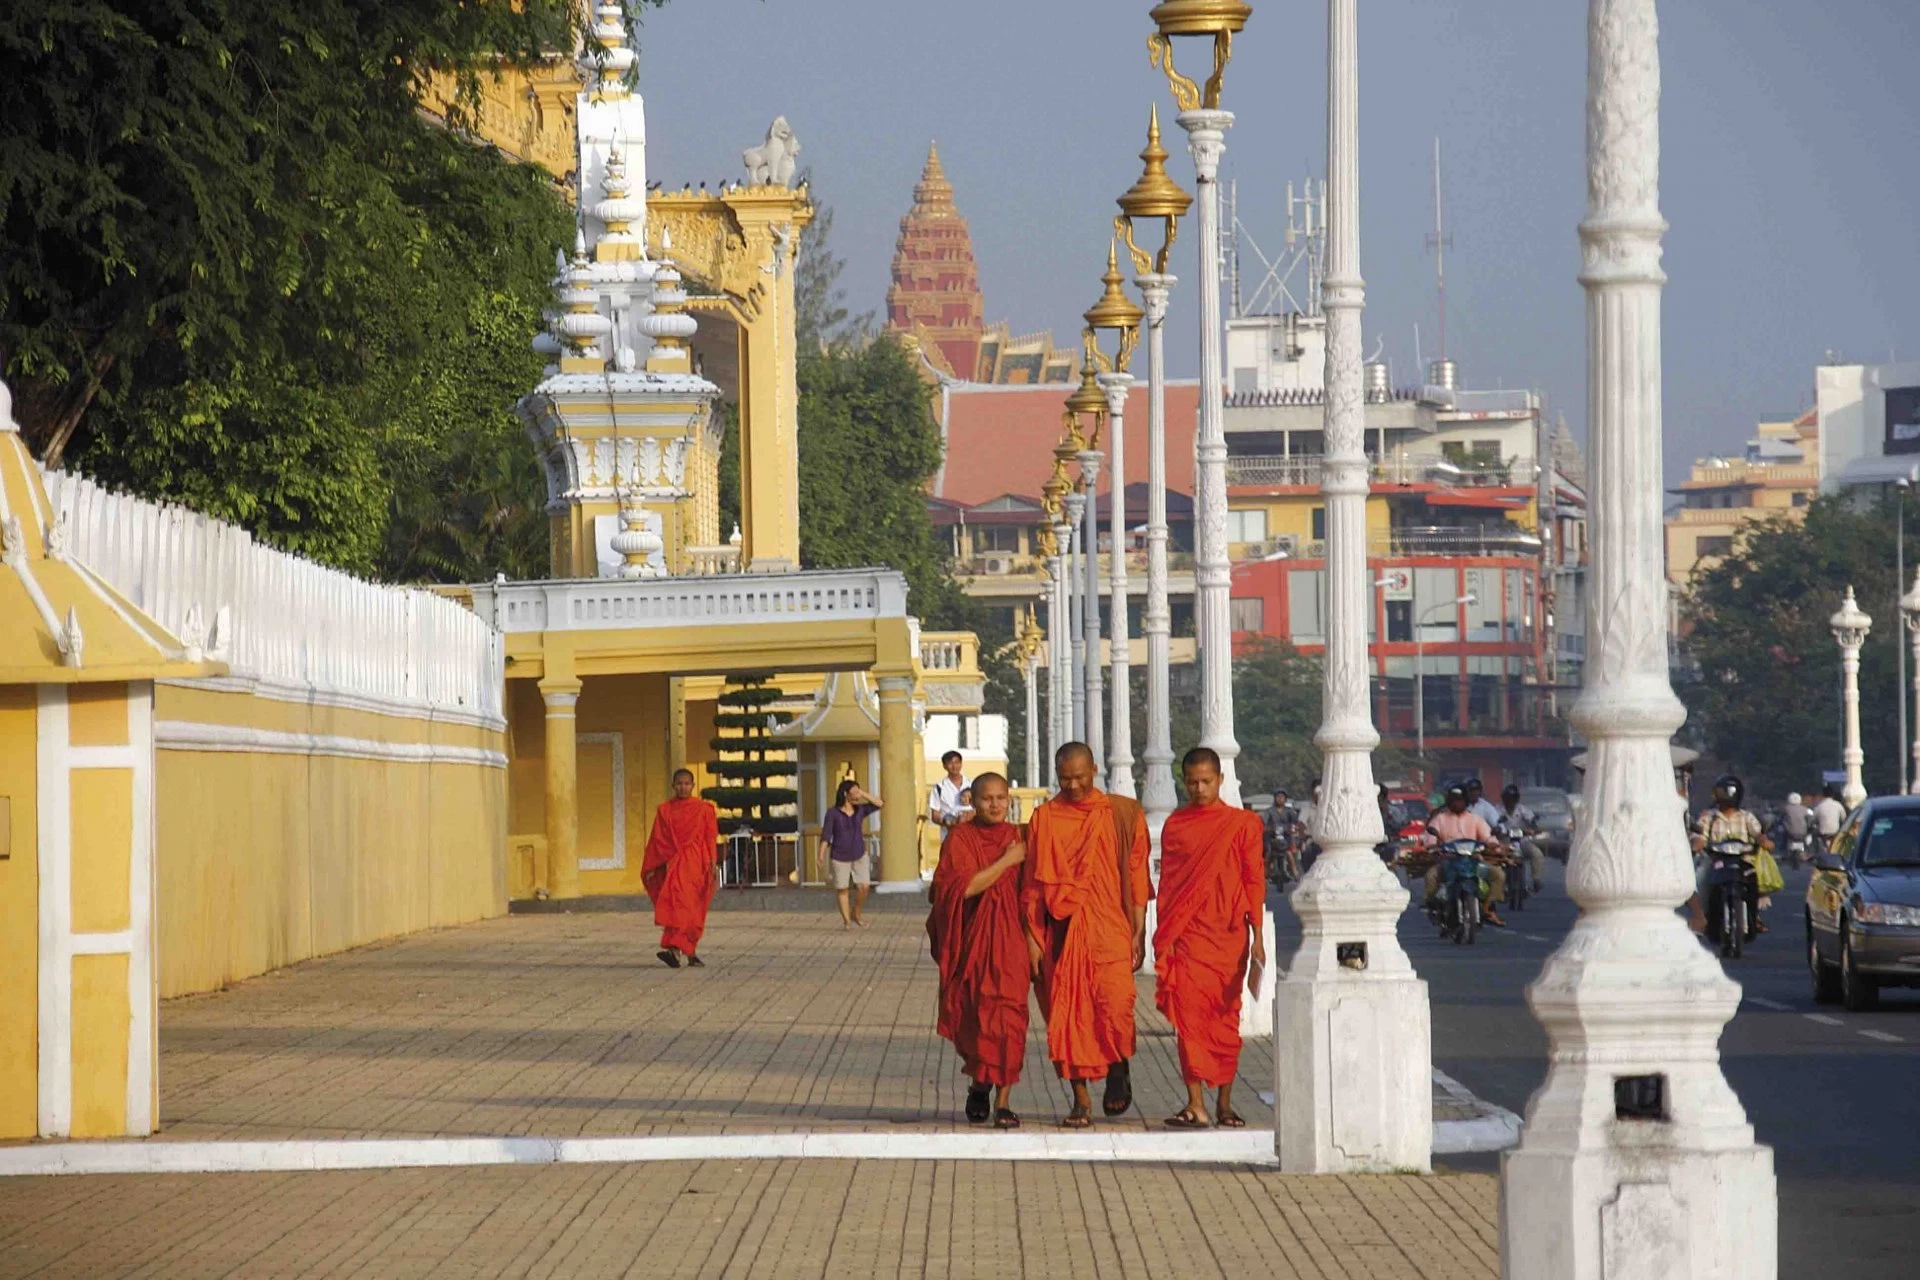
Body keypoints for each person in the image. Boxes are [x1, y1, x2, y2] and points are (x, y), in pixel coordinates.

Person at [1023, 741, 1151, 1128]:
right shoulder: (1045, 818)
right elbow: (1032, 885)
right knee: (1067, 1015)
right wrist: (1032, 938)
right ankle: (1080, 1099)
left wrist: (1138, 927)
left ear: (1095, 770)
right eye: (1065, 779)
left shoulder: (1120, 813)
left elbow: (1137, 873)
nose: (1074, 785)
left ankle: (1117, 1064)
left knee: (1115, 1005)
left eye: (1080, 777)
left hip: (1110, 927)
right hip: (1063, 932)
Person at [1154, 748, 1265, 1130]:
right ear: (1184, 781)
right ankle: (1195, 1103)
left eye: (1207, 781)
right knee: (1189, 1022)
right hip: (1188, 937)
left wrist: (1258, 938)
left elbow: (1253, 880)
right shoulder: (1176, 825)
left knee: (1224, 1020)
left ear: (1220, 780)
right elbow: (1168, 884)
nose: (1200, 788)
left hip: (1229, 936)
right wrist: (1164, 935)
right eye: (1192, 782)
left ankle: (1225, 1104)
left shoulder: (1242, 825)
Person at [926, 773, 1031, 1129]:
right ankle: (979, 1084)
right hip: (975, 944)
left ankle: (1003, 1101)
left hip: (1012, 944)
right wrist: (1006, 862)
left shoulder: (1020, 837)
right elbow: (962, 888)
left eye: (1002, 797)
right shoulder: (961, 839)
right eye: (987, 798)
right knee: (977, 1017)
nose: (996, 805)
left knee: (1011, 1020)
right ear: (972, 800)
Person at [641, 769, 720, 969]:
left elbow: (710, 837)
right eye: (679, 784)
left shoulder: (704, 809)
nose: (683, 787)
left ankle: (685, 951)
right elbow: (658, 840)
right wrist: (653, 865)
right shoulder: (665, 810)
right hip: (675, 865)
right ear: (673, 786)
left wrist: (712, 863)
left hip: (697, 863)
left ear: (693, 786)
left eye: (687, 784)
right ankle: (679, 950)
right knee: (679, 906)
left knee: (693, 909)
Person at [1690, 773, 1770, 936]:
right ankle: (1702, 918)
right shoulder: (1709, 817)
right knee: (1698, 880)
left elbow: (1758, 833)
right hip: (1715, 861)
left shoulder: (1747, 817)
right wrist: (1698, 842)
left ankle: (1755, 915)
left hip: (1743, 860)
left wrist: (1764, 840)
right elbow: (1700, 836)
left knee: (1758, 880)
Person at [1422, 784, 1508, 927]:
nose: (1457, 803)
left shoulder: (1475, 819)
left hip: (1473, 861)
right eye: (1454, 800)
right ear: (1449, 801)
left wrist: (1492, 844)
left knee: (1498, 875)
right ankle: (1434, 908)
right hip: (1448, 861)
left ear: (1466, 801)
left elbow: (1487, 837)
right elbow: (1430, 839)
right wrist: (1433, 846)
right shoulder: (1440, 819)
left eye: (1460, 800)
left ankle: (1487, 908)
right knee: (1431, 876)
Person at [822, 778, 882, 930]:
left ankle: (856, 913)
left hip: (859, 853)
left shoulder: (860, 810)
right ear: (845, 794)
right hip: (839, 856)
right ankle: (847, 921)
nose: (857, 796)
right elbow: (826, 835)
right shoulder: (833, 813)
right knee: (843, 888)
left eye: (858, 792)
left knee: (864, 886)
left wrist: (862, 793)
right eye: (854, 793)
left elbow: (879, 804)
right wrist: (820, 855)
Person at [1497, 783, 1546, 893]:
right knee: (1497, 860)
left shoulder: (1523, 810)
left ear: (1516, 799)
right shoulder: (1498, 810)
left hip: (1522, 841)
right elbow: (1494, 823)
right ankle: (1501, 885)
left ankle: (1536, 880)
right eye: (1508, 799)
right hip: (1505, 842)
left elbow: (1532, 821)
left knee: (1537, 853)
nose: (1510, 801)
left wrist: (1533, 829)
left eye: (1512, 798)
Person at [929, 750, 970, 835]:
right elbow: (935, 815)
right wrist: (948, 822)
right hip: (948, 835)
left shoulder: (972, 784)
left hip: (970, 834)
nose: (954, 766)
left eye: (957, 762)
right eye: (950, 763)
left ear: (961, 764)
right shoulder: (939, 788)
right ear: (944, 766)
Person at [1810, 783, 1846, 852]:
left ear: (1823, 795)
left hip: (1823, 835)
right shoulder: (1838, 805)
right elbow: (1844, 819)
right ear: (1832, 795)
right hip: (1835, 835)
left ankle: (1814, 855)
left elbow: (1812, 821)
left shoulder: (1819, 806)